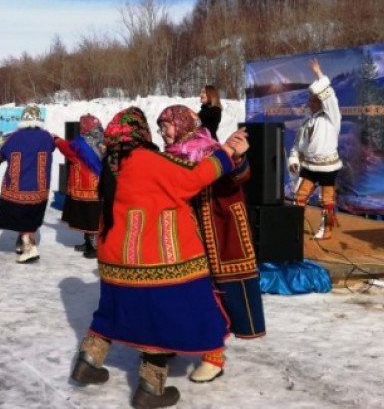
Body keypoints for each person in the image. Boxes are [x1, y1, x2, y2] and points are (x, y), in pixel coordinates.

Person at [69, 106, 249, 409]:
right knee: (161, 318)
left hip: (115, 259)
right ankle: (151, 388)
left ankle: (88, 361)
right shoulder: (148, 160)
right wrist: (226, 153)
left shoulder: (112, 163)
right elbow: (195, 177)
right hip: (157, 256)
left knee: (112, 312)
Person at [157, 104, 266, 382]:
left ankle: (213, 356)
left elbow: (237, 179)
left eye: (167, 125)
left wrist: (238, 158)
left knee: (212, 295)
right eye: (161, 127)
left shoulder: (209, 149)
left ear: (182, 124)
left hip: (218, 231)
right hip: (184, 234)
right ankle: (172, 341)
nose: (163, 132)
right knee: (177, 291)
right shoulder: (169, 157)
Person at [287, 58, 342, 240]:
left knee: (327, 200)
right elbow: (298, 145)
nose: (310, 102)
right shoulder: (307, 121)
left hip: (327, 166)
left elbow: (329, 97)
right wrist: (294, 160)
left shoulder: (332, 117)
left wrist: (319, 74)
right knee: (299, 195)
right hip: (310, 165)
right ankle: (294, 226)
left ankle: (326, 230)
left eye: (314, 99)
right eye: (310, 100)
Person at [0, 105, 54, 263]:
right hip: (40, 186)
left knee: (20, 214)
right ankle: (22, 241)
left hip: (17, 185)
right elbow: (52, 147)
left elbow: (2, 153)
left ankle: (29, 247)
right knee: (31, 214)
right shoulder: (46, 136)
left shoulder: (15, 136)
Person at [53, 114, 104, 259]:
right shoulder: (101, 140)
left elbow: (67, 148)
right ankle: (88, 243)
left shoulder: (80, 143)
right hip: (98, 185)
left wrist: (56, 139)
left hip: (85, 184)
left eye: (82, 125)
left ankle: (95, 247)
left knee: (89, 218)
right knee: (91, 217)